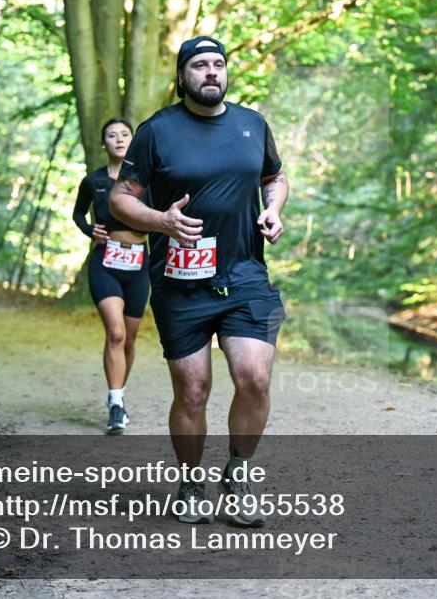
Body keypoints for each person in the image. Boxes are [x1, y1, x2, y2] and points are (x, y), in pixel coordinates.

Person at [110, 35, 288, 526]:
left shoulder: (252, 125)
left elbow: (275, 176)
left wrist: (272, 209)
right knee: (192, 390)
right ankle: (190, 482)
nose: (211, 72)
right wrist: (161, 221)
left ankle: (239, 472)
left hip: (246, 273)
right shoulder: (156, 131)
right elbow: (121, 199)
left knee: (254, 378)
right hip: (179, 279)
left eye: (218, 64)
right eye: (199, 65)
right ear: (183, 75)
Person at [72, 118, 150, 434]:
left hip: (139, 265)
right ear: (103, 143)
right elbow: (78, 212)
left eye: (124, 135)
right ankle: (115, 403)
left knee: (129, 339)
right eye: (111, 136)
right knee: (115, 332)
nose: (118, 139)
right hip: (106, 262)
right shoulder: (93, 181)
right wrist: (89, 230)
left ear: (132, 141)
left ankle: (120, 393)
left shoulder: (148, 180)